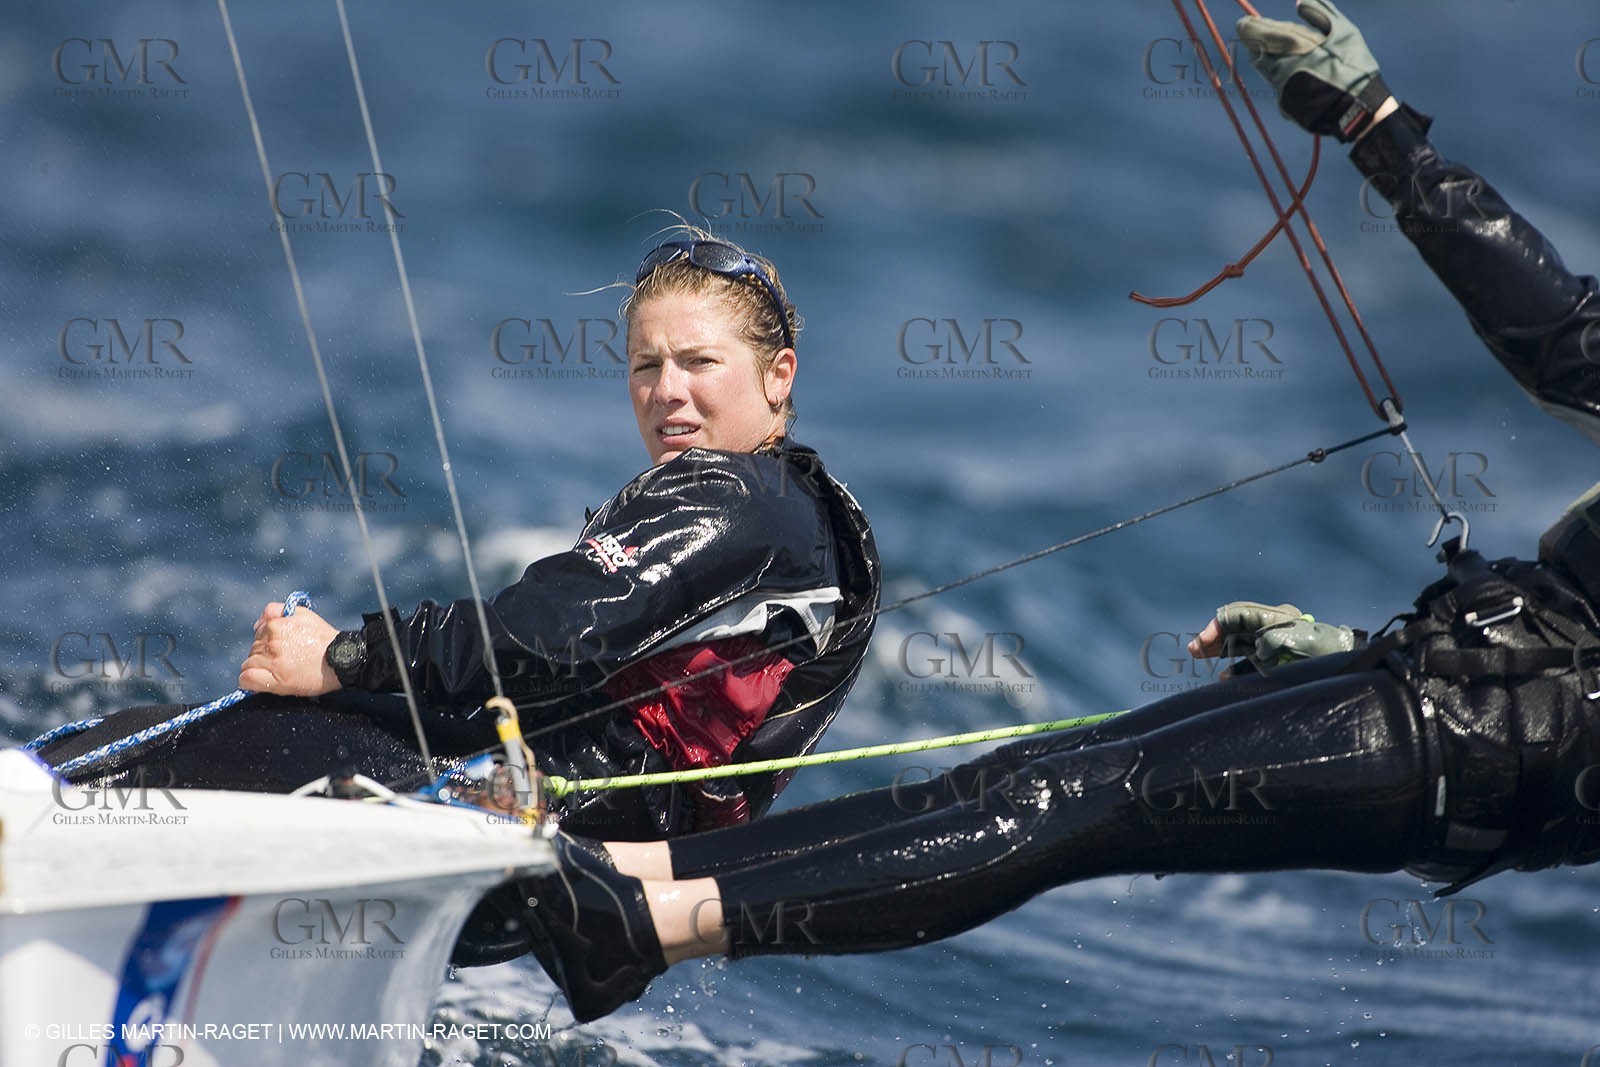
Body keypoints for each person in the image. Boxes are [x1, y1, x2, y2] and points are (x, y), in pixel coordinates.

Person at [480, 0, 1600, 1023]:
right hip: (1470, 699)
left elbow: (1562, 342)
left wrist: (1376, 123)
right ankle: (628, 880)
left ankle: (644, 926)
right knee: (1038, 776)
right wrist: (1358, 649)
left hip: (1493, 739)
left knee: (1064, 795)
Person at [35, 230, 882, 956]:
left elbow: (549, 633)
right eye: (645, 365)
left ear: (779, 375)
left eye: (700, 362)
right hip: (561, 838)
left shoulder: (741, 495)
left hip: (527, 818)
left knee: (132, 755)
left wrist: (343, 654)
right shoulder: (796, 516)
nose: (667, 390)